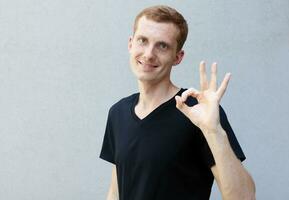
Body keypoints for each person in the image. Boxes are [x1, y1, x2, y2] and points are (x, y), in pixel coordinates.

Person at [100, 5, 255, 200]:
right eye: (143, 41)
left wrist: (213, 130)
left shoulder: (197, 111)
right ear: (130, 44)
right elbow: (116, 190)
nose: (149, 54)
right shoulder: (118, 113)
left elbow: (244, 197)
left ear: (177, 57)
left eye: (162, 45)